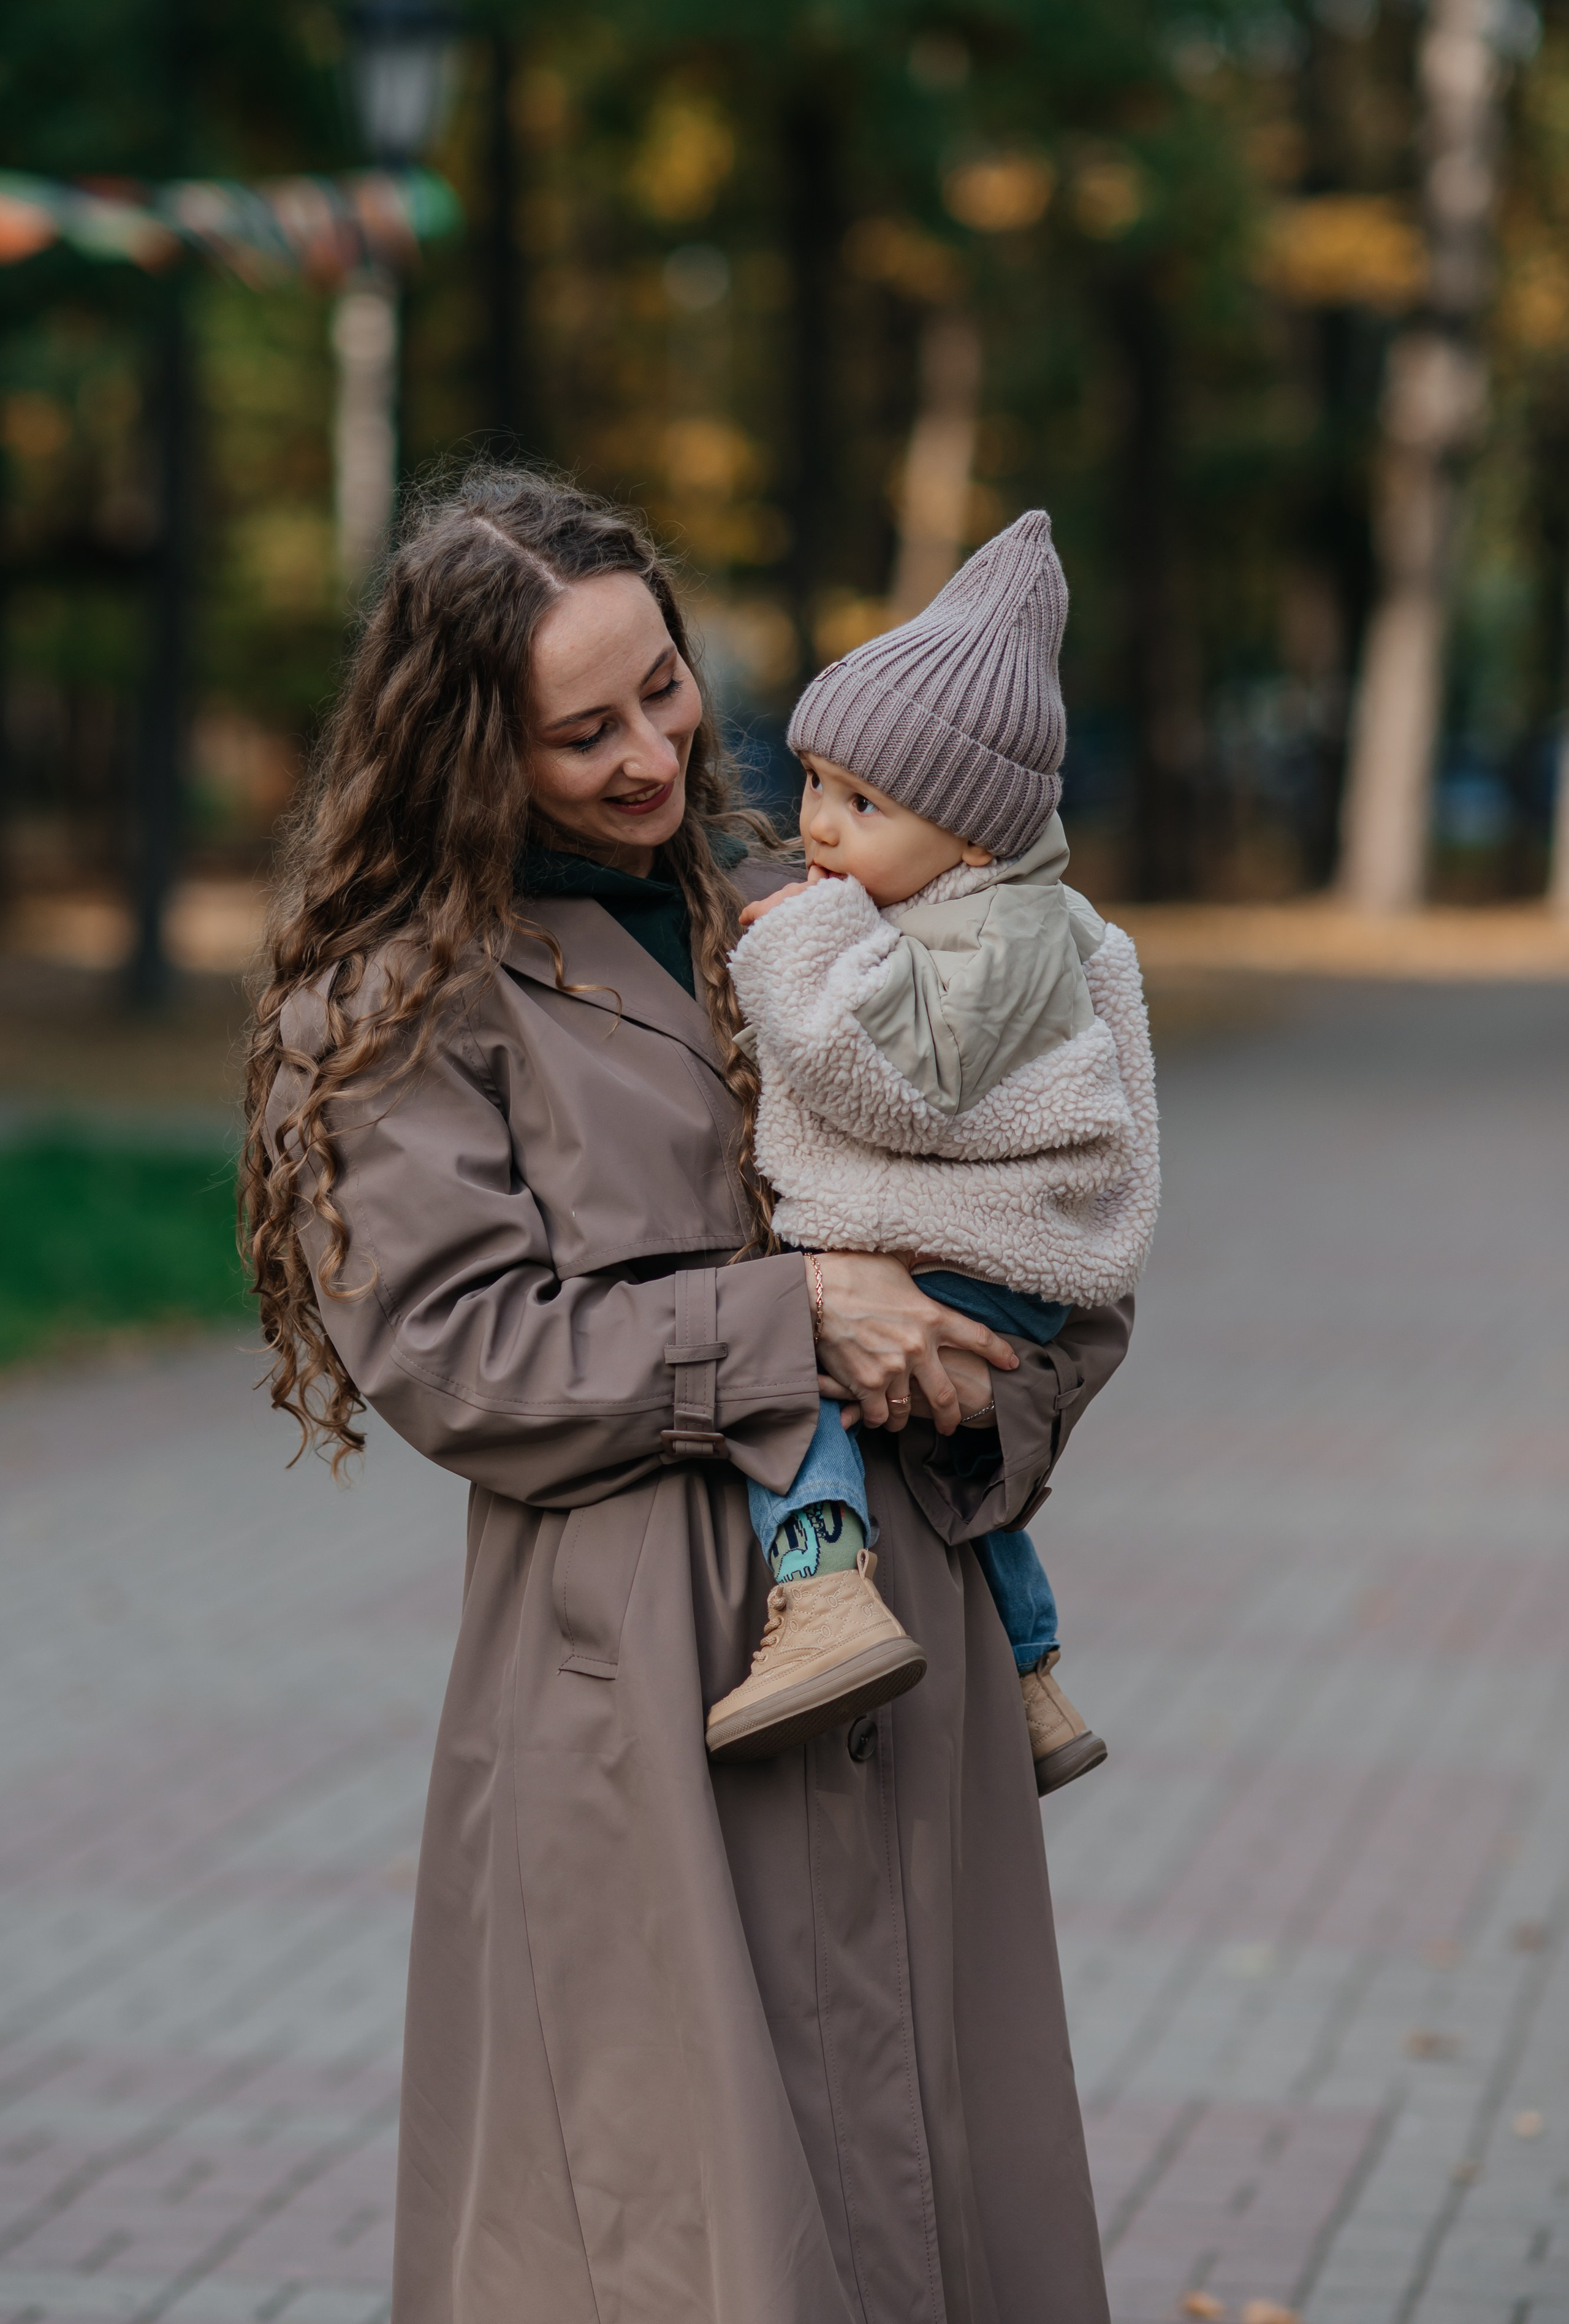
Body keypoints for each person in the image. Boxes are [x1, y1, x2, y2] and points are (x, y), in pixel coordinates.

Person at [241, 467, 1133, 2324]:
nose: (655, 755)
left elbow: (1056, 1218)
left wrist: (996, 1384)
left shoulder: (811, 912)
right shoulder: (398, 998)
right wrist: (793, 1316)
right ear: (468, 747)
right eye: (584, 732)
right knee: (669, 2229)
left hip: (910, 1630)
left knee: (942, 2183)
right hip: (642, 1677)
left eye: (665, 689)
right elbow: (461, 1357)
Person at [704, 514, 1158, 1797]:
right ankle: (1029, 1674)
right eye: (811, 786)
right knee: (926, 1461)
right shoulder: (974, 909)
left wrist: (793, 948)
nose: (820, 829)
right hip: (996, 1258)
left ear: (970, 837)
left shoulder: (1000, 940)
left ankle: (820, 1592)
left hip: (982, 1256)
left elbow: (895, 1083)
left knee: (783, 1366)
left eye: (862, 805)